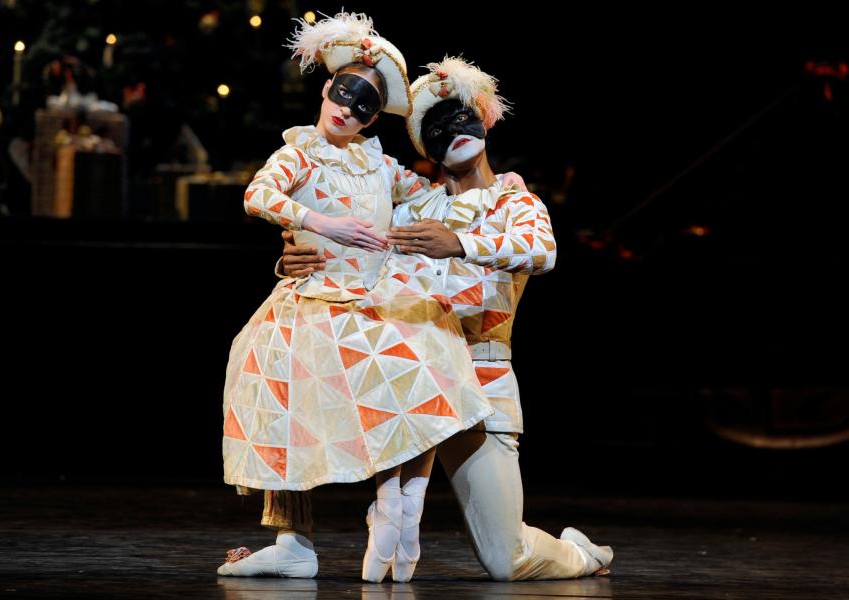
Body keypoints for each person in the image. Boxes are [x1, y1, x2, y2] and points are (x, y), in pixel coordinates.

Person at [281, 57, 613, 581]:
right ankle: (295, 540)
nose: (450, 133)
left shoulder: (514, 200)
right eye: (434, 129)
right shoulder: (412, 206)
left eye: (458, 118)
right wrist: (295, 255)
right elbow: (350, 240)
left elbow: (541, 252)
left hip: (482, 381)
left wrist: (457, 243)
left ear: (483, 119)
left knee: (506, 560)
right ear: (423, 146)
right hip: (413, 379)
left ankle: (580, 553)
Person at [218, 14, 493, 583]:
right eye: (345, 94)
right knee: (270, 379)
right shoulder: (303, 152)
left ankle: (401, 501)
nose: (349, 110)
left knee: (409, 370)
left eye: (366, 106)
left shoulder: (377, 162)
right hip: (314, 298)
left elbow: (435, 196)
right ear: (326, 87)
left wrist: (491, 187)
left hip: (372, 295)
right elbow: (257, 193)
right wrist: (325, 224)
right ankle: (293, 538)